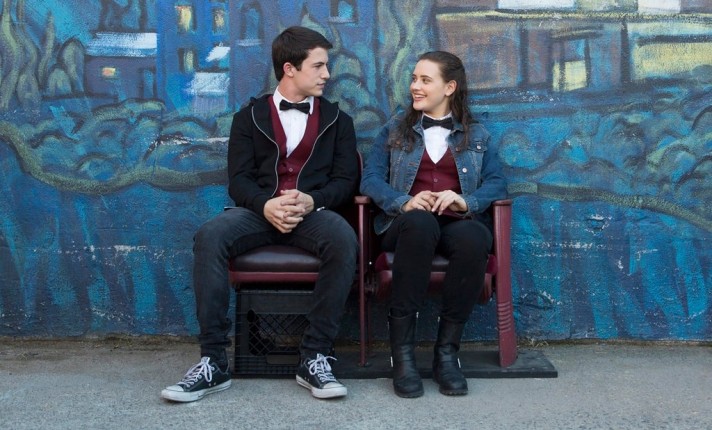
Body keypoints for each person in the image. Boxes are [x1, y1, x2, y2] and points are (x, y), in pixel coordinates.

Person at [161, 26, 359, 402]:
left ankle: (315, 357)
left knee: (344, 238)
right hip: (257, 213)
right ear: (290, 69)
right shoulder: (248, 118)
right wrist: (265, 205)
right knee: (210, 236)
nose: (327, 74)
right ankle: (213, 362)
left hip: (312, 215)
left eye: (326, 66)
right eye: (318, 66)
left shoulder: (339, 121)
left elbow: (346, 181)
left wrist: (312, 200)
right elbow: (239, 181)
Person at [360, 51, 507, 398]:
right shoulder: (394, 130)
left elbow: (497, 183)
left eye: (425, 80)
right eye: (414, 79)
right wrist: (404, 201)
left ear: (449, 87)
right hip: (405, 226)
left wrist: (464, 201)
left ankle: (447, 355)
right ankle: (403, 356)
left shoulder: (477, 134)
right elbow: (370, 179)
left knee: (475, 236)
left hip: (455, 224)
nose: (415, 86)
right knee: (421, 223)